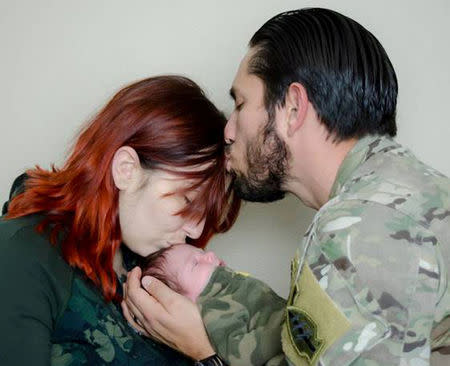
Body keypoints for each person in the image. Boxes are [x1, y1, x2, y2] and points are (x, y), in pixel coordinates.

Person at [123, 8, 450, 366]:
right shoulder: (415, 190)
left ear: (293, 108)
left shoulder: (356, 230)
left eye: (241, 104)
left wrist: (205, 352)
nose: (228, 131)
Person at [0, 75, 240, 365]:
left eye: (207, 214)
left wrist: (203, 352)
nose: (197, 229)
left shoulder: (146, 264)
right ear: (126, 169)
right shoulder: (23, 253)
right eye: (188, 201)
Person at [140, 244, 286, 366]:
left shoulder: (231, 286)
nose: (210, 253)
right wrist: (287, 332)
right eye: (195, 264)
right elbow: (238, 354)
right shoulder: (215, 307)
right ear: (183, 302)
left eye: (202, 252)